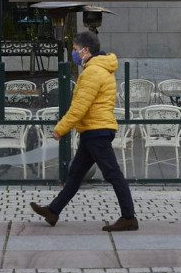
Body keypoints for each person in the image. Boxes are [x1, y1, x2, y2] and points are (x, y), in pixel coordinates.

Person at [31, 31, 138, 232]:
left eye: (74, 49)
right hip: (93, 129)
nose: (73, 53)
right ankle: (53, 211)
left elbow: (80, 106)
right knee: (75, 174)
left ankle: (129, 217)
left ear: (85, 50)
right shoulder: (99, 69)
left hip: (96, 130)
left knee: (113, 174)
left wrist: (61, 128)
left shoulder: (92, 72)